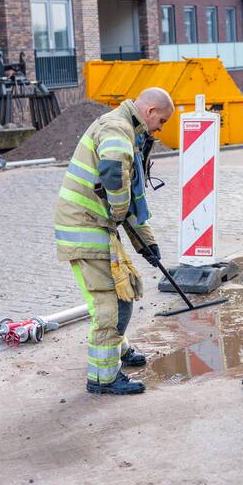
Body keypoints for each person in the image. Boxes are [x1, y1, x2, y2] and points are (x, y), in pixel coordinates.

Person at [54, 88, 174, 395]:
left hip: (96, 225)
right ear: (148, 112)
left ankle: (117, 350)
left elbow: (130, 195)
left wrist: (147, 243)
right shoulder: (117, 128)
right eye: (160, 121)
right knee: (110, 305)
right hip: (85, 228)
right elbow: (112, 174)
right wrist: (119, 211)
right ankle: (103, 378)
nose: (160, 128)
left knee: (123, 291)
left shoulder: (125, 129)